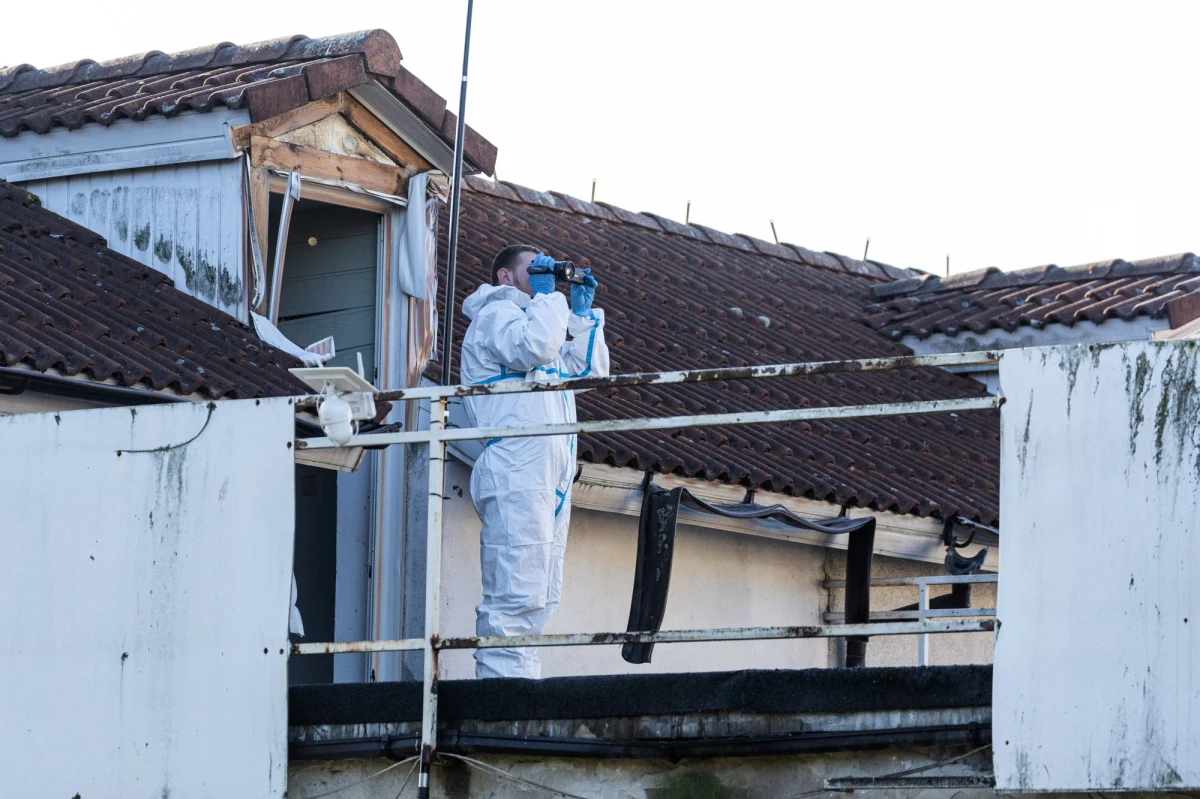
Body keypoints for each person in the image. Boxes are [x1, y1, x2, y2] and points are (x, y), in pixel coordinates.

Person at [459, 244, 610, 679]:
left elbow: (588, 373)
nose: (546, 271)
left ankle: (522, 689)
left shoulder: (537, 318)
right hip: (517, 464)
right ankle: (500, 703)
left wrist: (582, 315)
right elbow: (536, 348)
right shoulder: (495, 316)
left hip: (550, 469)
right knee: (515, 591)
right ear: (507, 277)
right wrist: (550, 299)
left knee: (543, 594)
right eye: (534, 266)